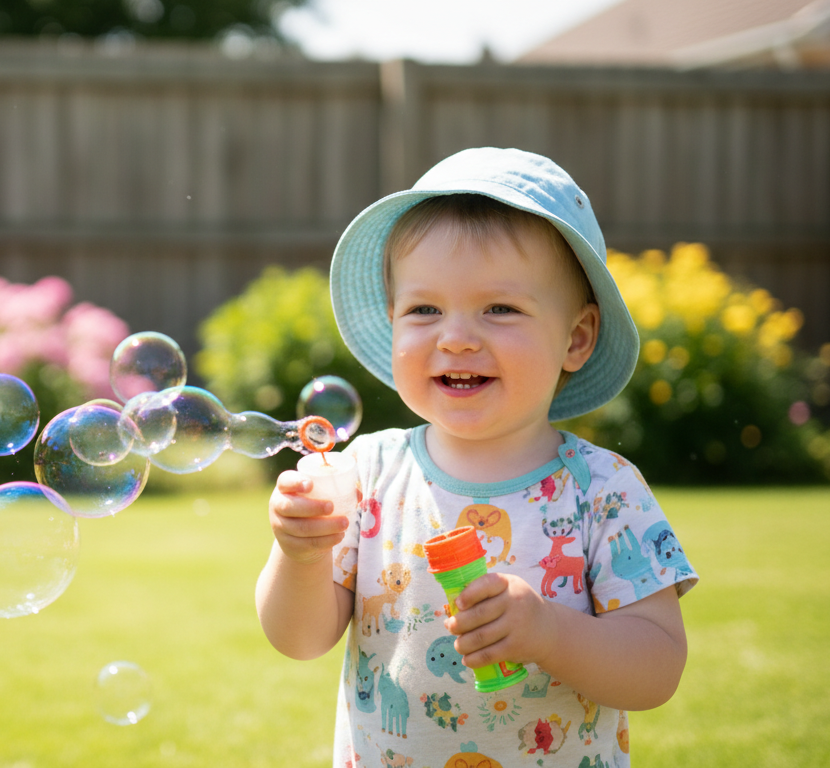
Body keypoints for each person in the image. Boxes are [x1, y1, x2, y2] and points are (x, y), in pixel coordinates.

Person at [255, 148, 698, 767]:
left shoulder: (603, 488)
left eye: (500, 308)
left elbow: (657, 668)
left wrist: (548, 631)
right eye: (424, 309)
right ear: (392, 322)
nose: (456, 336)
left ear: (575, 338)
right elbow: (298, 640)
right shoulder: (365, 475)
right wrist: (299, 556)